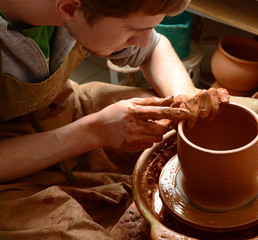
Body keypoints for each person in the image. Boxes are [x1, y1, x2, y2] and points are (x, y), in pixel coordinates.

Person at [0, 0, 229, 239]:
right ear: (69, 9)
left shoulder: (82, 11)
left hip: (60, 107)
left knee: (225, 115)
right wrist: (93, 132)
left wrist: (187, 99)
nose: (142, 40)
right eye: (133, 31)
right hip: (8, 164)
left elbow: (154, 48)